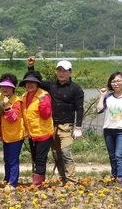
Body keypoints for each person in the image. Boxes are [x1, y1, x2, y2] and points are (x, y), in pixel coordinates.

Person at [28, 57, 84, 185]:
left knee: (65, 153)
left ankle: (72, 180)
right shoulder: (51, 86)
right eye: (59, 70)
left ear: (70, 72)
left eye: (64, 71)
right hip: (52, 126)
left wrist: (78, 127)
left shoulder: (76, 89)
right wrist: (31, 67)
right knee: (56, 154)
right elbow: (36, 82)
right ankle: (63, 179)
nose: (61, 73)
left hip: (66, 126)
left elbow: (79, 108)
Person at [96, 71, 122, 188]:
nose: (116, 83)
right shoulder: (108, 97)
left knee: (119, 155)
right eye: (113, 81)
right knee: (112, 155)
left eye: (118, 80)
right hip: (109, 130)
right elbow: (99, 110)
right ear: (110, 83)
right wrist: (102, 96)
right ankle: (114, 177)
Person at [20, 70, 53, 188]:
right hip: (32, 134)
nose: (30, 85)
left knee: (40, 158)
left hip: (43, 133)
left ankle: (37, 183)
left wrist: (42, 102)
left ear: (38, 84)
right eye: (27, 83)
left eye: (33, 82)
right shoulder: (24, 96)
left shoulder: (44, 95)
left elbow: (46, 115)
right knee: (35, 157)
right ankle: (40, 181)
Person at [0, 73, 25, 190]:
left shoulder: (17, 101)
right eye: (2, 86)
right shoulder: (0, 98)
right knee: (6, 159)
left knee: (13, 160)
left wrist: (7, 107)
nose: (5, 89)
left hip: (15, 135)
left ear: (13, 88)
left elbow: (13, 118)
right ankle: (7, 179)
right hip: (5, 135)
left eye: (8, 86)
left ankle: (13, 183)